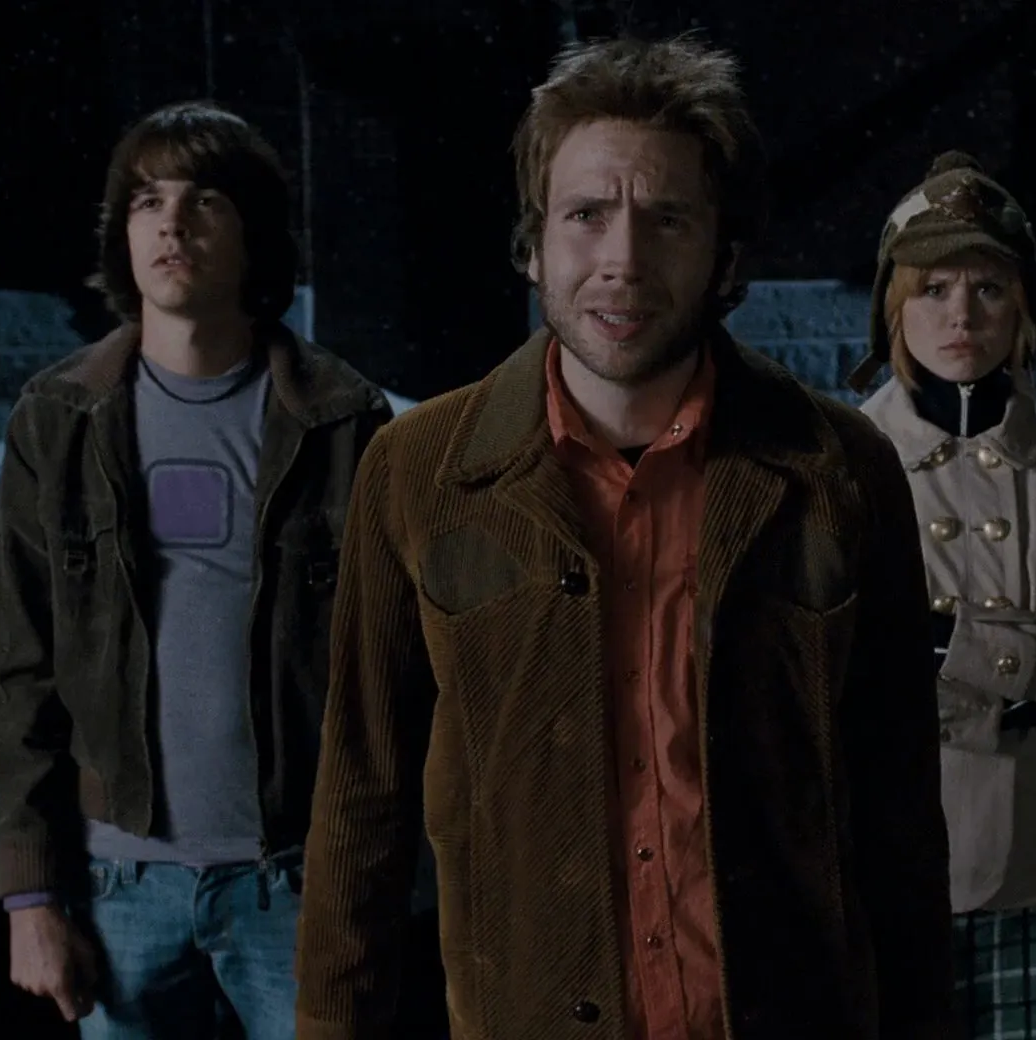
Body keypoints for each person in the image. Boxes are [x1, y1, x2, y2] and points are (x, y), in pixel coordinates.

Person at [293, 33, 957, 1040]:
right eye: (587, 215)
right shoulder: (420, 471)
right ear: (533, 243)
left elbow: (899, 806)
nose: (623, 261)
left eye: (668, 219)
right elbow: (360, 798)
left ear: (725, 253)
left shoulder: (840, 468)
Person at [0, 100, 393, 1039]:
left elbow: (392, 677)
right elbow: (17, 672)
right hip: (119, 884)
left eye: (203, 200)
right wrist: (30, 897)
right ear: (121, 235)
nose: (170, 223)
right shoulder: (58, 420)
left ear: (255, 235)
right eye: (147, 201)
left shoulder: (342, 422)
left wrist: (376, 876)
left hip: (297, 881)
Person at [849, 151, 1036, 1040]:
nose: (961, 315)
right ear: (894, 305)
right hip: (897, 834)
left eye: (988, 287)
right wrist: (1031, 662)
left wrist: (944, 640)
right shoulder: (846, 460)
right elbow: (852, 667)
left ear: (1022, 305)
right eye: (934, 288)